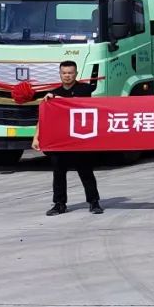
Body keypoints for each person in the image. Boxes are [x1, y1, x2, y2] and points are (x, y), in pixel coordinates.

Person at [35, 60, 102, 215]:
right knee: (58, 172)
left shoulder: (85, 89)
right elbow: (44, 118)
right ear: (60, 74)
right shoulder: (53, 93)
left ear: (76, 74)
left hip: (80, 138)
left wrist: (57, 99)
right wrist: (36, 137)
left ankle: (94, 202)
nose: (67, 76)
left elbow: (77, 103)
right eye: (64, 73)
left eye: (70, 73)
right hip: (60, 140)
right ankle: (59, 204)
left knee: (85, 171)